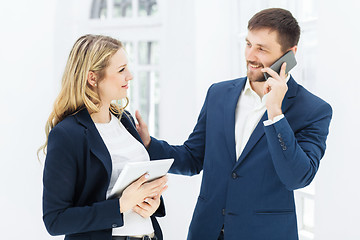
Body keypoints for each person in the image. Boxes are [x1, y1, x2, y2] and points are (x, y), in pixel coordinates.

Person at [135, 8, 332, 240]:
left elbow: (297, 178)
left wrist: (276, 113)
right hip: (206, 231)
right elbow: (193, 157)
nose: (250, 56)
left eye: (262, 49)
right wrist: (149, 144)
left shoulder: (313, 110)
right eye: (248, 44)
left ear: (290, 54)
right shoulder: (219, 94)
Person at [39, 34, 168, 240]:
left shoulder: (124, 120)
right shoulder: (66, 134)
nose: (130, 76)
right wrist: (120, 206)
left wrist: (152, 203)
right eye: (121, 70)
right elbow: (55, 220)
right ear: (92, 78)